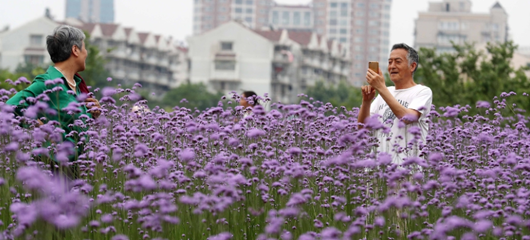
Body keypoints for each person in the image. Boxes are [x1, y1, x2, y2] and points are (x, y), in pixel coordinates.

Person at [6, 25, 100, 176]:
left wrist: (92, 114)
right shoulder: (47, 82)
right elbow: (7, 107)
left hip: (77, 172)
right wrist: (33, 124)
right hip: (52, 172)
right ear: (75, 50)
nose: (86, 53)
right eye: (84, 48)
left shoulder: (77, 86)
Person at [357, 43, 433, 165]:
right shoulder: (386, 92)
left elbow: (408, 117)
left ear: (412, 66)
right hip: (378, 171)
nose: (392, 66)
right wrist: (366, 102)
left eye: (398, 62)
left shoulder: (422, 92)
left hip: (405, 170)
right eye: (390, 62)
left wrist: (381, 88)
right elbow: (362, 129)